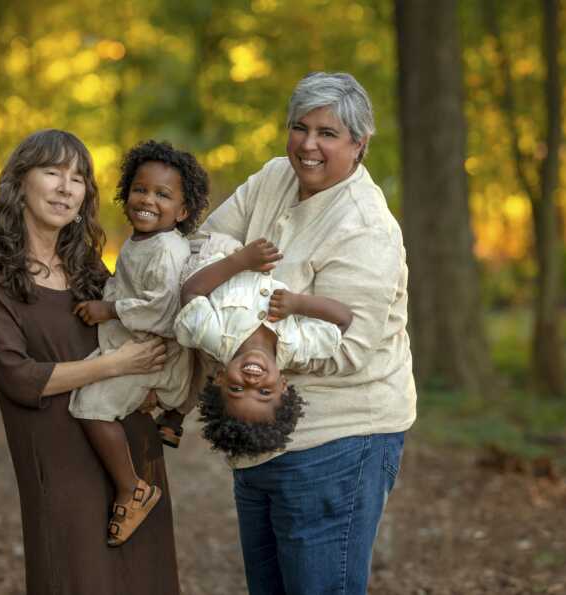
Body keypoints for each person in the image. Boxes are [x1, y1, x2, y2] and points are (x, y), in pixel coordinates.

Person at [200, 72, 417, 594]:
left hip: (337, 438)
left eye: (328, 133)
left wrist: (254, 340)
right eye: (300, 127)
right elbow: (210, 242)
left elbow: (351, 343)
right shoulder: (273, 177)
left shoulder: (366, 226)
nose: (309, 144)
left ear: (359, 144)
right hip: (257, 430)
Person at [0, 129, 180, 594]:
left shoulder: (88, 266)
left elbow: (146, 330)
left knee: (146, 579)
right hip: (59, 462)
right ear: (20, 182)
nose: (65, 187)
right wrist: (114, 366)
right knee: (76, 578)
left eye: (78, 178)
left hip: (130, 447)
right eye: (52, 172)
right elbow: (19, 378)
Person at [68, 140, 209, 546]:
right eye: (140, 189)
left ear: (182, 212)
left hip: (158, 357)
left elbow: (164, 311)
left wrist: (108, 310)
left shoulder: (166, 249)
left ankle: (133, 488)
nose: (148, 200)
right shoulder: (141, 240)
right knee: (94, 396)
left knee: (91, 407)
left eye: (163, 195)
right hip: (142, 347)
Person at [174, 231, 353, 458]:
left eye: (237, 389)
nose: (251, 382)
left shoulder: (212, 336)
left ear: (220, 379)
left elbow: (191, 292)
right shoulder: (297, 347)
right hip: (268, 247)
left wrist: (240, 261)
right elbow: (343, 319)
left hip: (215, 253)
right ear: (283, 385)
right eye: (264, 391)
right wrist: (299, 304)